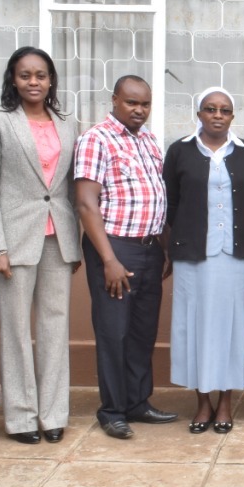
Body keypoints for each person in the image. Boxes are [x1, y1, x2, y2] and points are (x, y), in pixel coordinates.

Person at [0, 47, 80, 445]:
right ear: (13, 80)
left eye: (40, 75)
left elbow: (70, 186)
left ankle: (53, 414)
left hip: (60, 237)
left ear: (51, 79)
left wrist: (76, 243)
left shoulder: (68, 123)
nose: (33, 82)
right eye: (25, 75)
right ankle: (21, 416)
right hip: (15, 237)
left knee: (55, 328)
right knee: (16, 330)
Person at [75, 75, 178, 439]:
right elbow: (87, 204)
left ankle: (137, 402)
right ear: (115, 99)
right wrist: (108, 260)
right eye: (132, 102)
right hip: (115, 247)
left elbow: (156, 197)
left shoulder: (148, 140)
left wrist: (165, 246)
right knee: (114, 331)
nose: (139, 110)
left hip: (149, 248)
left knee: (141, 331)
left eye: (145, 104)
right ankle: (113, 409)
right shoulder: (96, 139)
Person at [163, 87, 244, 434]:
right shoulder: (179, 152)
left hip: (237, 257)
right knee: (197, 328)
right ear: (199, 113)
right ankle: (202, 402)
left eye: (225, 110)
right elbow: (169, 204)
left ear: (233, 117)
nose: (218, 115)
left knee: (234, 329)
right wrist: (169, 250)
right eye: (210, 109)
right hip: (193, 256)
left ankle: (225, 402)